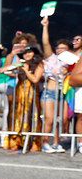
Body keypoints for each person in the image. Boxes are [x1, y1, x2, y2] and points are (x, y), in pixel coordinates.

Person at [39, 17, 71, 153]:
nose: (60, 50)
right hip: (49, 92)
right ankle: (45, 143)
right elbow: (45, 43)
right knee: (50, 119)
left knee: (60, 120)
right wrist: (45, 26)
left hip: (62, 94)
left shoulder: (71, 62)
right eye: (59, 48)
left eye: (64, 48)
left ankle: (56, 143)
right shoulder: (51, 58)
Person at [5, 44, 43, 152]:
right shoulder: (20, 64)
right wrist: (10, 64)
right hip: (20, 91)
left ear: (34, 53)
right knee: (18, 116)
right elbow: (4, 70)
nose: (27, 55)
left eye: (30, 52)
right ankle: (16, 141)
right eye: (25, 53)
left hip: (32, 92)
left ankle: (34, 142)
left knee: (32, 115)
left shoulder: (39, 65)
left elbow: (35, 79)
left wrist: (26, 70)